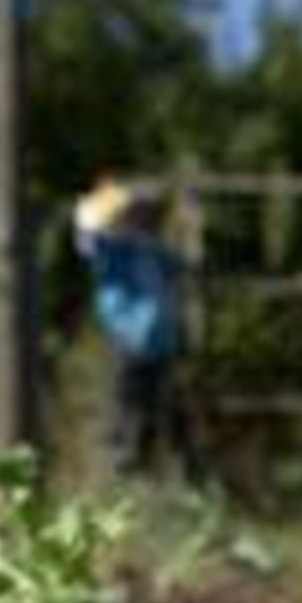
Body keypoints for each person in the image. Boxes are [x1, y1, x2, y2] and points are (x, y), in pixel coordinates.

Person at [74, 177, 197, 478]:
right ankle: (121, 459)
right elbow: (86, 238)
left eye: (152, 216)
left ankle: (152, 462)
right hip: (127, 337)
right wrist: (107, 205)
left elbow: (183, 268)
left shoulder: (153, 250)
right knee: (126, 402)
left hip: (161, 341)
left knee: (157, 406)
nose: (148, 221)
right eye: (142, 215)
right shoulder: (111, 249)